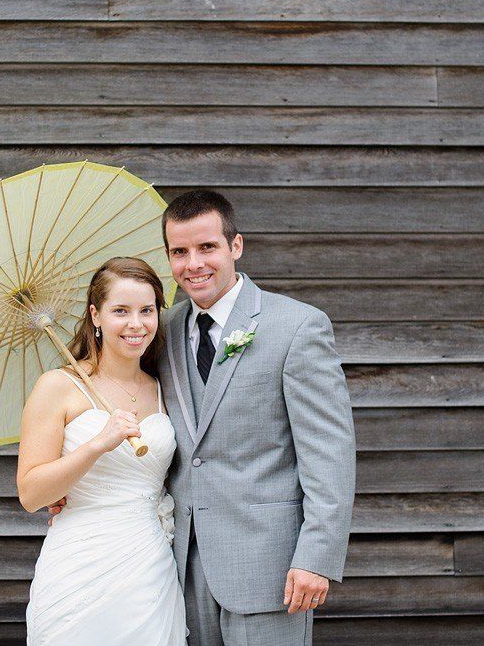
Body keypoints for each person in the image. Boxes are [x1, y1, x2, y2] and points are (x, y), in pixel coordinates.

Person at [160, 189, 356, 646]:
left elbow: (329, 454)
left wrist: (316, 557)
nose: (194, 264)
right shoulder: (162, 330)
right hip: (181, 567)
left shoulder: (297, 326)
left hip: (272, 565)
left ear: (236, 246)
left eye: (207, 247)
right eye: (179, 252)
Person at [18, 257, 186, 645]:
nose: (136, 324)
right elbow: (31, 494)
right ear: (95, 315)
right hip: (80, 562)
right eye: (120, 311)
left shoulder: (163, 386)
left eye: (147, 310)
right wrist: (97, 445)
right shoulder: (57, 386)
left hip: (149, 564)